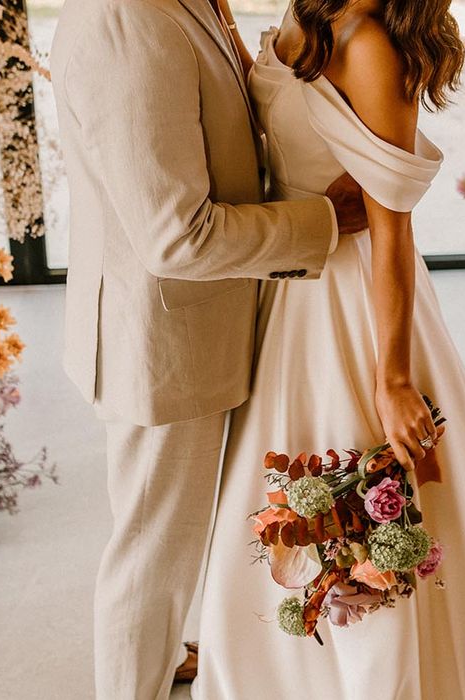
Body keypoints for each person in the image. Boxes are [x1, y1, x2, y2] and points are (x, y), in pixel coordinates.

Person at [194, 1, 465, 698]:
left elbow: (390, 231)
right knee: (295, 484)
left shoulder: (372, 45)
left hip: (351, 295)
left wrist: (394, 377)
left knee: (361, 491)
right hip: (289, 284)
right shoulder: (310, 9)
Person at [49, 0, 370, 697]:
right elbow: (177, 236)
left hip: (192, 321)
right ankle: (132, 682)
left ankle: (159, 656)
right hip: (161, 338)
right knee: (151, 553)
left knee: (169, 539)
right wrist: (323, 221)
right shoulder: (127, 20)